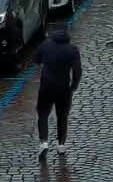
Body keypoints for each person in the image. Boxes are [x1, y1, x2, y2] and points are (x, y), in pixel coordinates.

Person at [33, 24, 81, 156]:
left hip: (46, 86)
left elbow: (36, 59)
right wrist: (74, 85)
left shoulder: (46, 45)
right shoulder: (72, 49)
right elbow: (77, 71)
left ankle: (44, 142)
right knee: (62, 116)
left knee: (42, 114)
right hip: (64, 88)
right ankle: (61, 145)